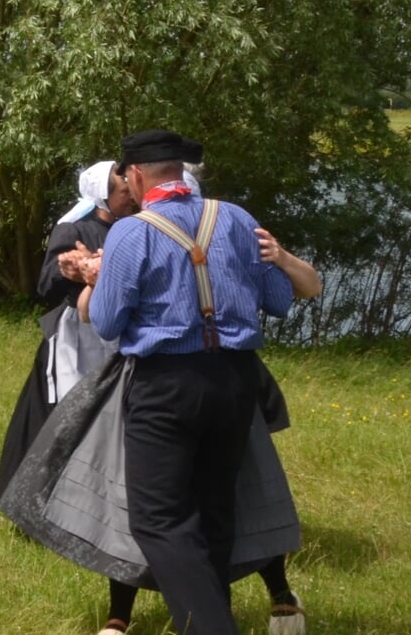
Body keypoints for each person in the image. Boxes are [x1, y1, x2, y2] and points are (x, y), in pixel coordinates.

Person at [87, 130, 297, 634]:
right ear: (181, 171)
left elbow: (109, 323)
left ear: (136, 175)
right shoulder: (237, 219)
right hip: (236, 380)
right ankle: (211, 613)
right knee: (214, 510)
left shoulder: (131, 233)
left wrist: (99, 282)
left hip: (166, 385)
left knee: (157, 520)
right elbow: (280, 299)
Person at [0, 160, 138, 501]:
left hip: (113, 333)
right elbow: (44, 286)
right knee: (62, 414)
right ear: (102, 194)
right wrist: (70, 272)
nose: (130, 195)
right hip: (76, 339)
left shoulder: (129, 228)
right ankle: (35, 497)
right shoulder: (73, 229)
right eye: (122, 190)